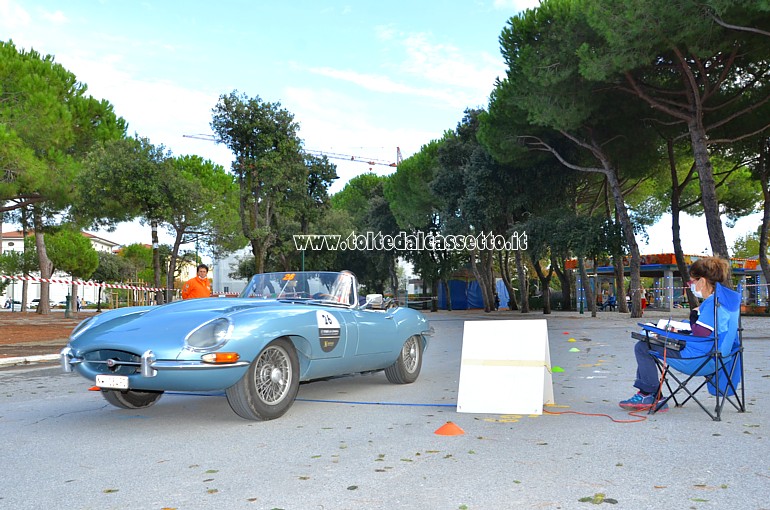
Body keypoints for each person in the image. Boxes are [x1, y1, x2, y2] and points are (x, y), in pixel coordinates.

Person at [619, 256, 731, 411]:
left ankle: (650, 394)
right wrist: (680, 327)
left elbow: (701, 333)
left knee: (643, 345)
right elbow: (707, 331)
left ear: (702, 281)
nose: (690, 285)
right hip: (716, 356)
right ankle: (651, 393)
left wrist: (687, 321)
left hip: (696, 357)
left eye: (692, 282)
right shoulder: (722, 301)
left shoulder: (711, 304)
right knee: (650, 340)